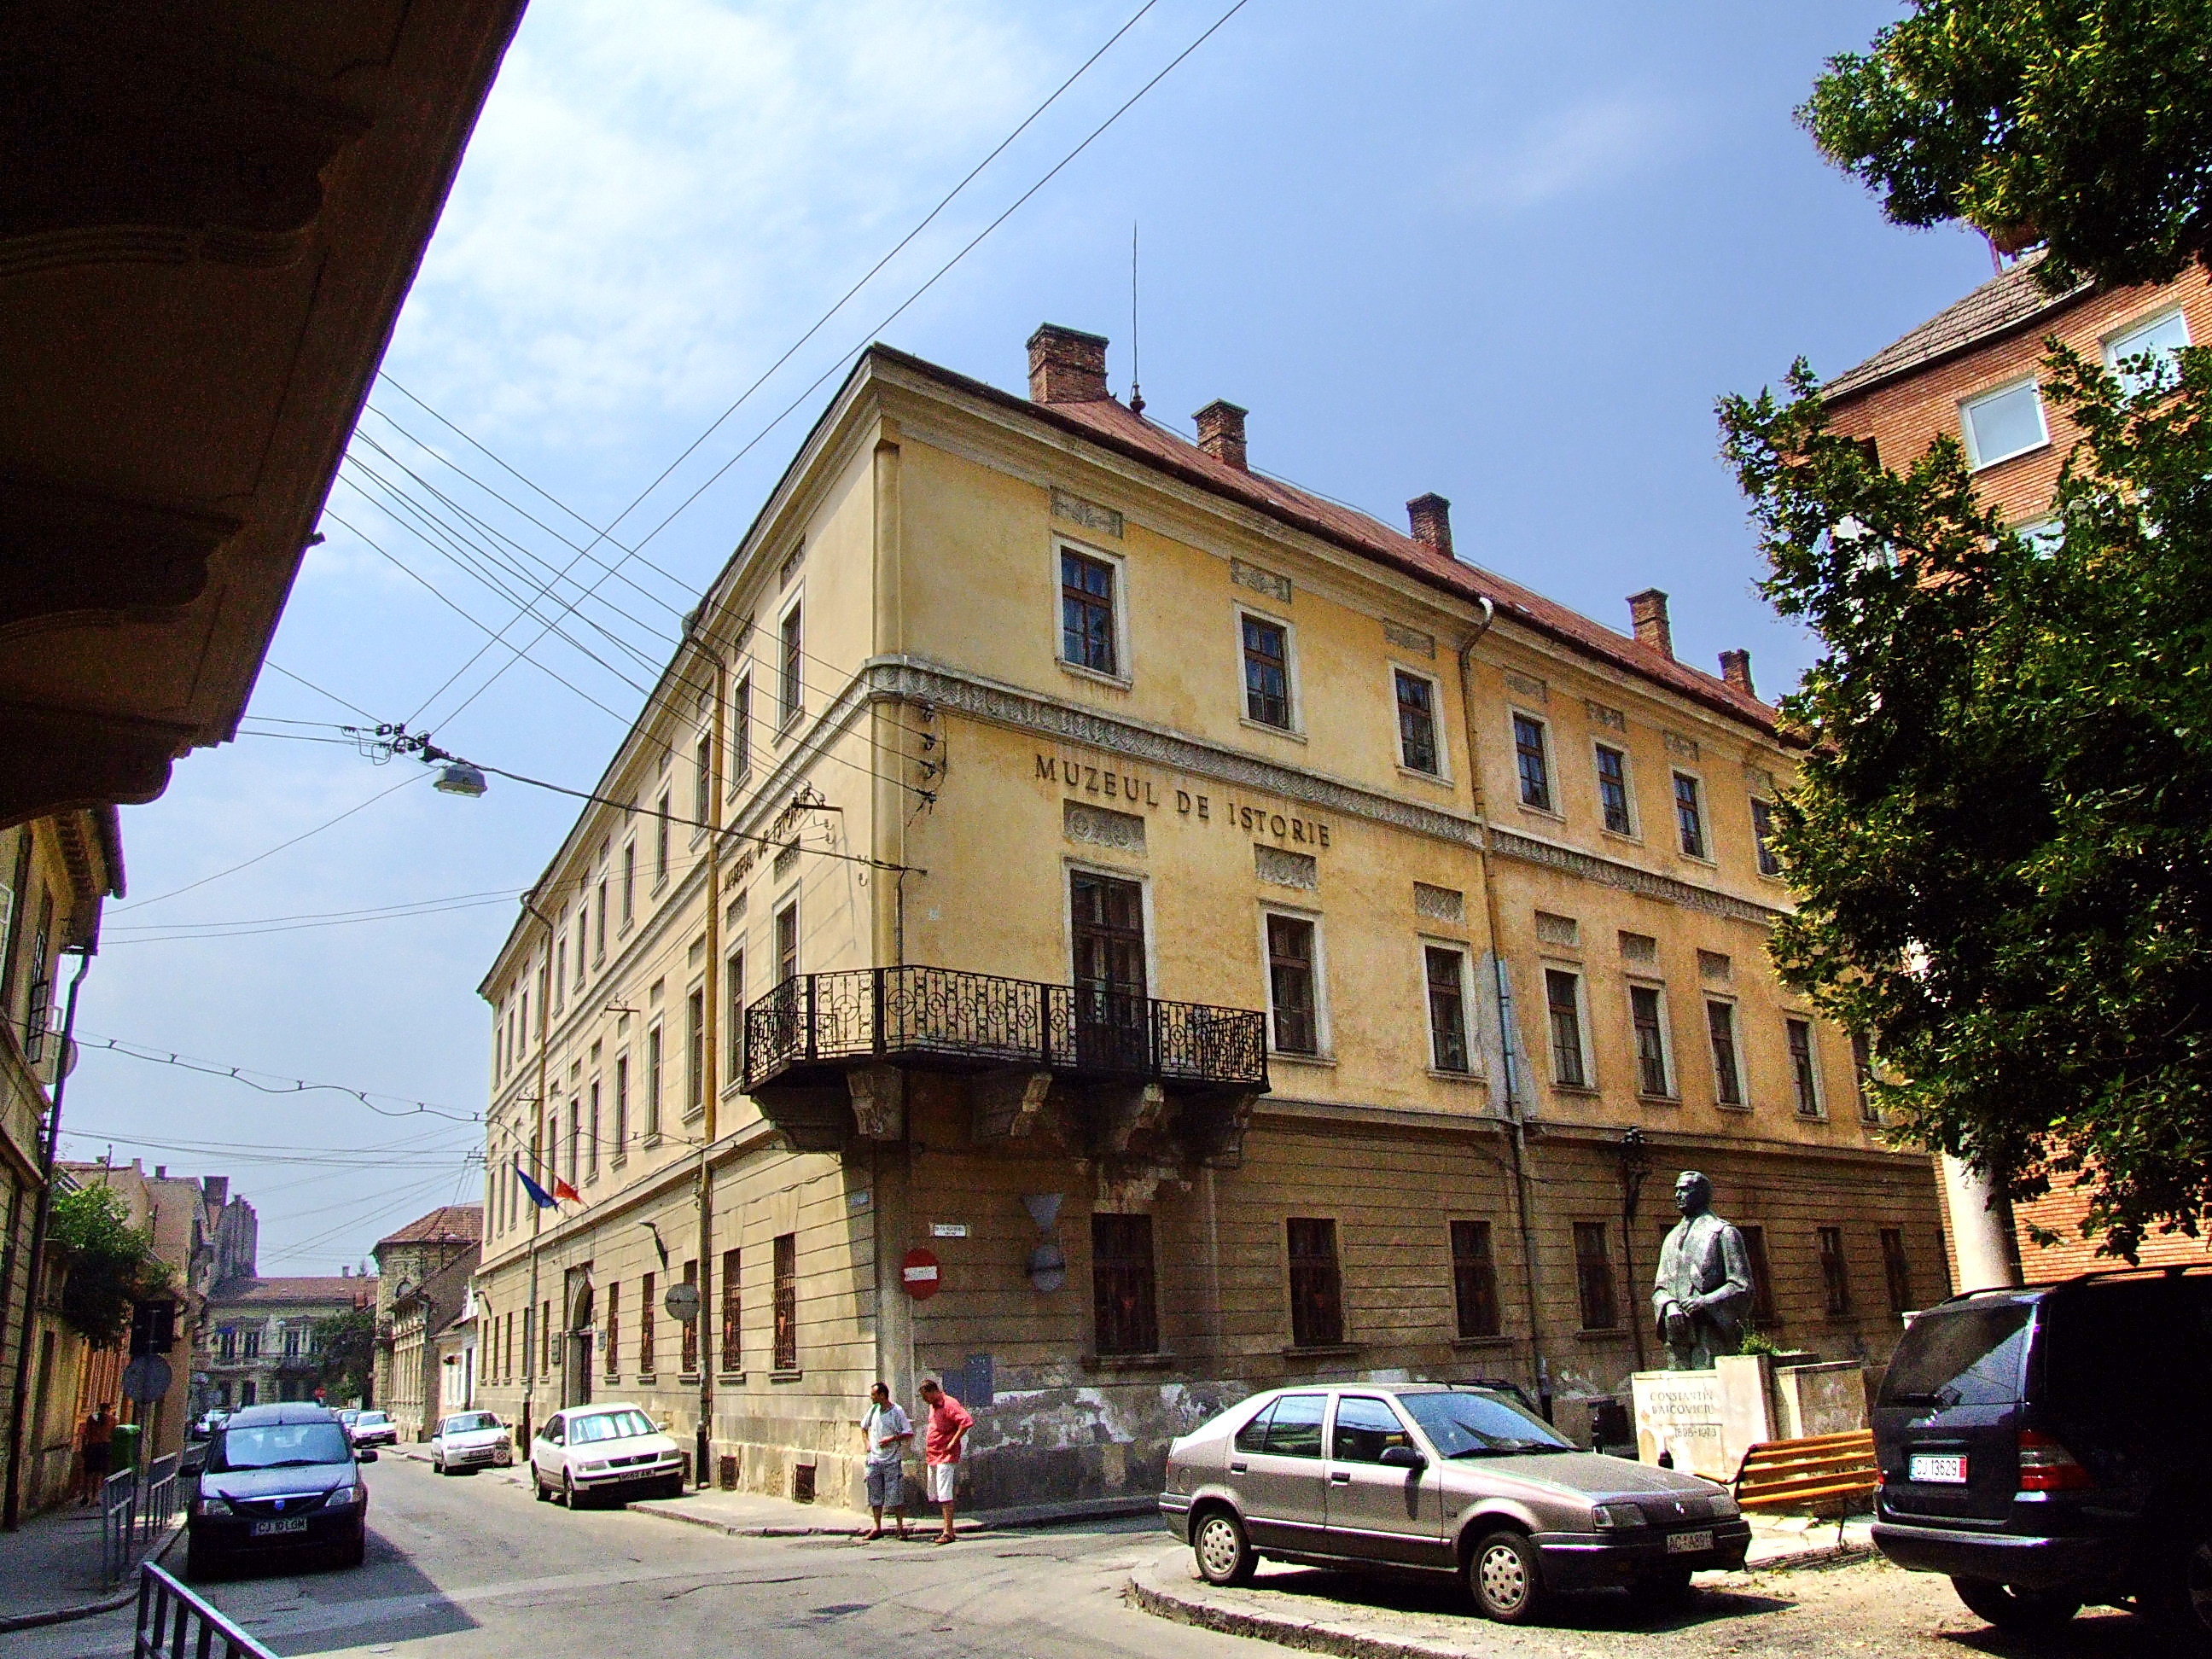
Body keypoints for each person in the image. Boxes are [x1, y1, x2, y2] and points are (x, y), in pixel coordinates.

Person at [1651, 1169, 1754, 1370]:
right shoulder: (1671, 1238)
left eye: (1685, 1190)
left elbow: (1742, 1286)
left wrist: (1704, 1301)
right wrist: (1670, 1305)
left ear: (1701, 1194)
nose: (1677, 1195)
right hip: (1678, 1338)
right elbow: (1660, 1288)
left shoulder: (1723, 1232)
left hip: (1711, 1334)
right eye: (1676, 1190)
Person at [915, 1377, 971, 1545]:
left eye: (926, 1397)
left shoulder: (949, 1403)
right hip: (934, 1454)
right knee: (937, 1494)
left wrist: (953, 1442)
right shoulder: (934, 1406)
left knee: (945, 1493)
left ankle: (948, 1531)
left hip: (946, 1455)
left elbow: (966, 1422)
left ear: (932, 1392)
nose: (925, 1401)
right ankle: (946, 1528)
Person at [858, 1381, 912, 1540]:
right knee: (875, 1494)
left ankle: (900, 1527)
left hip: (891, 1460)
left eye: (874, 1394)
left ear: (882, 1395)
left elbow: (908, 1432)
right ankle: (877, 1527)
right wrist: (867, 1443)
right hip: (874, 1460)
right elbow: (863, 1427)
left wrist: (892, 1439)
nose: (871, 1397)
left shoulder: (897, 1411)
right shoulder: (873, 1410)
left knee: (895, 1495)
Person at [77, 1402, 115, 1505]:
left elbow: (86, 1432)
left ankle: (85, 1494)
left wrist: (83, 1447)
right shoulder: (112, 1419)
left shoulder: (91, 1418)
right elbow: (113, 1434)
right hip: (104, 1447)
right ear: (108, 1409)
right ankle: (95, 1497)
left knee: (88, 1473)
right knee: (99, 1473)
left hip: (92, 1446)